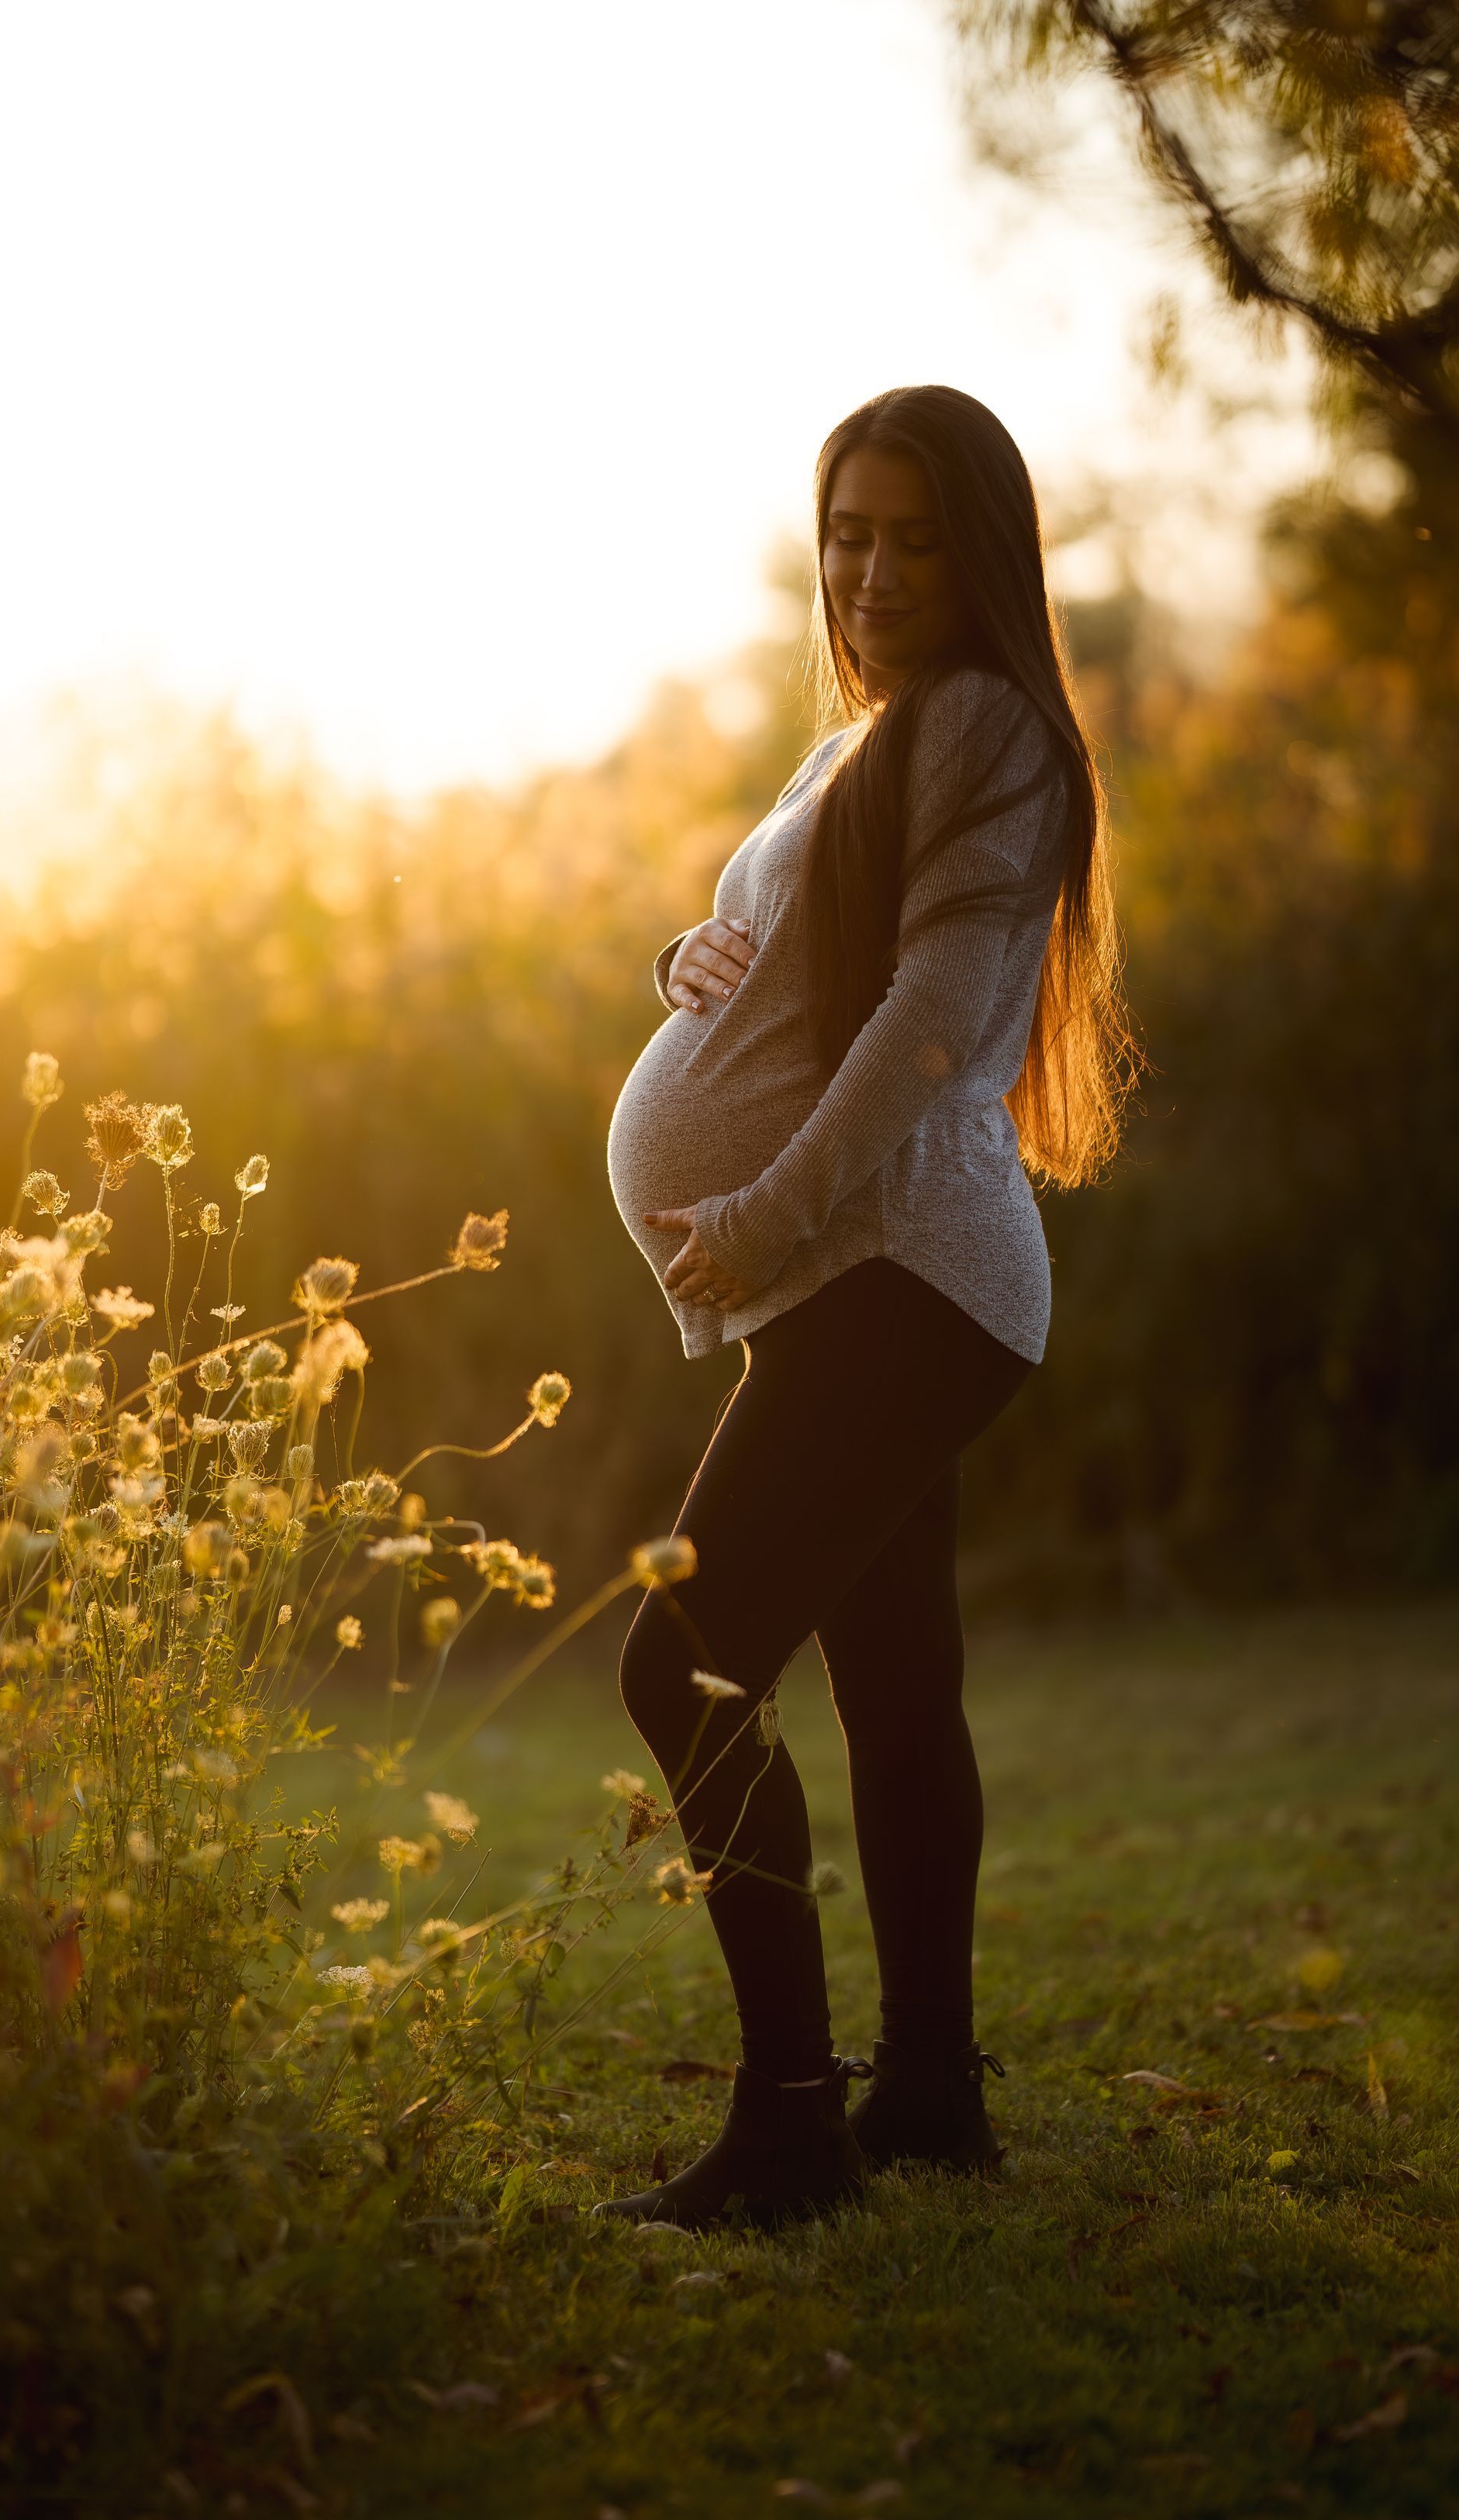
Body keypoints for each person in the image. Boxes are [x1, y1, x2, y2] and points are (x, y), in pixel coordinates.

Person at [599, 384, 1128, 2229]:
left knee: (684, 1660)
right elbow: (803, 963)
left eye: (910, 536)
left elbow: (920, 1029)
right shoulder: (879, 734)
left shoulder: (985, 725)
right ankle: (925, 2098)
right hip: (877, 1270)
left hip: (896, 1265)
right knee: (898, 1688)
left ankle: (792, 2120)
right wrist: (691, 959)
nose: (872, 569)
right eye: (847, 532)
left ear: (978, 550)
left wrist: (754, 1213)